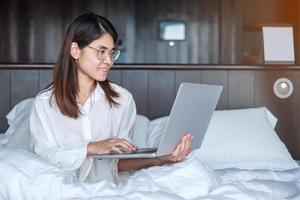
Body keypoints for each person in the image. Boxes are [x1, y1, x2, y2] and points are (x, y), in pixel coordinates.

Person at [29, 11, 193, 183]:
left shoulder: (123, 100)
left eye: (112, 53)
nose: (109, 61)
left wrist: (162, 159)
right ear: (75, 50)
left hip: (108, 190)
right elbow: (43, 158)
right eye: (101, 51)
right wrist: (90, 148)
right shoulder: (45, 103)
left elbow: (118, 164)